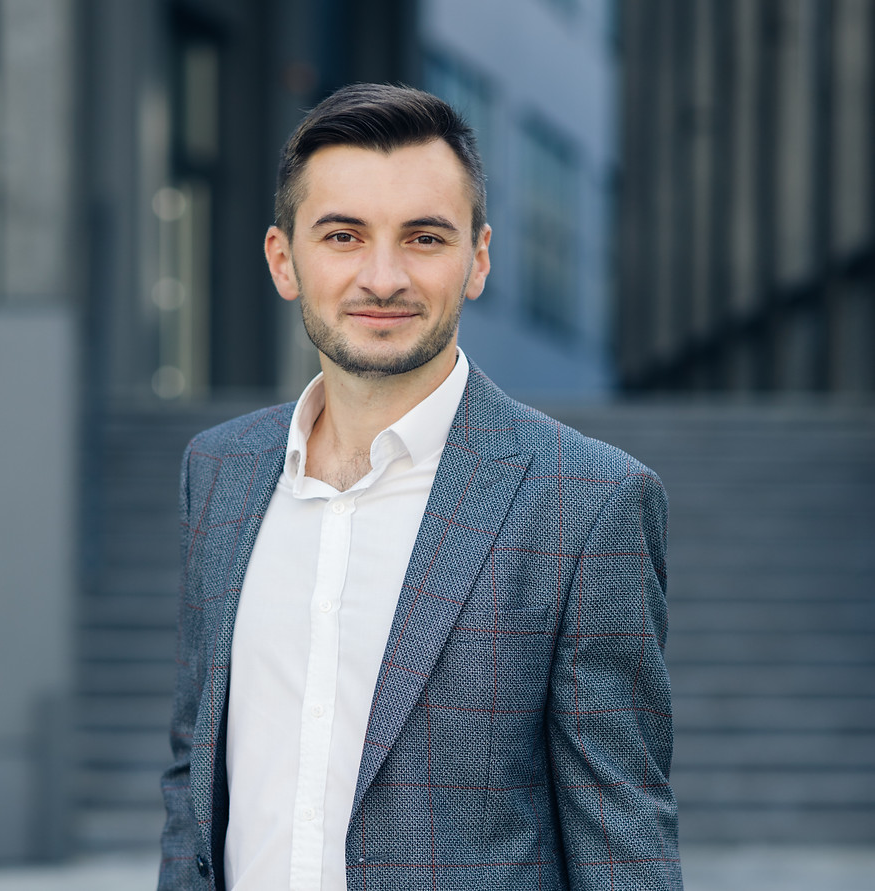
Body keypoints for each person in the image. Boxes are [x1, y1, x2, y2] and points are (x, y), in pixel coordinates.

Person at [158, 82, 681, 891]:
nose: (383, 276)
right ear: (282, 259)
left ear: (477, 260)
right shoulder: (219, 472)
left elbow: (624, 840)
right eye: (343, 234)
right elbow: (195, 772)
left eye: (425, 237)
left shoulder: (591, 501)